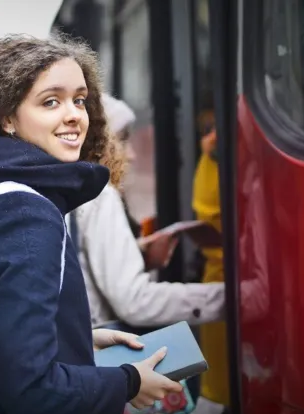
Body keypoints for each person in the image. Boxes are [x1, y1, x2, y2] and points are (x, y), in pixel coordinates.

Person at [0, 35, 184, 414]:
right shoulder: (27, 215)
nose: (74, 116)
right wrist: (128, 383)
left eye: (80, 100)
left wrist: (77, 339)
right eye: (50, 102)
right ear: (6, 118)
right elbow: (29, 388)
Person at [74, 94, 226, 331]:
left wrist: (134, 254)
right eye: (122, 141)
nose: (132, 155)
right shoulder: (98, 195)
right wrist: (230, 297)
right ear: (94, 143)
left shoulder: (67, 190)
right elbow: (134, 302)